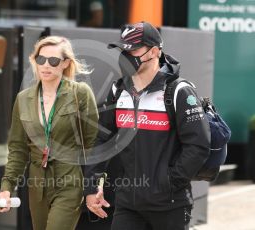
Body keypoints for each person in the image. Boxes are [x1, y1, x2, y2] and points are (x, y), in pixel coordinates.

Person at [84, 21, 211, 230]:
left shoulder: (178, 91)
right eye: (122, 49)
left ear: (154, 51)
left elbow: (198, 146)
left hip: (170, 205)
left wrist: (168, 183)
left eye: (133, 49)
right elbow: (101, 139)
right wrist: (91, 187)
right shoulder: (118, 90)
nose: (125, 55)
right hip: (128, 203)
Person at [0, 36, 99, 230]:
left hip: (69, 181)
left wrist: (94, 186)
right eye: (41, 59)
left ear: (65, 63)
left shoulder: (80, 93)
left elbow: (93, 144)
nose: (46, 65)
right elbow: (18, 149)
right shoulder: (23, 99)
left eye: (53, 61)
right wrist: (6, 189)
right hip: (37, 185)